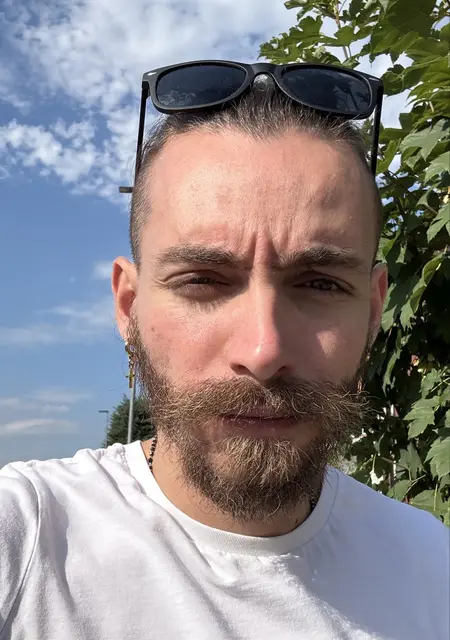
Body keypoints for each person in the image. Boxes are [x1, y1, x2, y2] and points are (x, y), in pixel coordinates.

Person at [1, 62, 448, 640]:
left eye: (320, 283)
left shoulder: (432, 566)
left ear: (371, 310)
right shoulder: (26, 539)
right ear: (129, 307)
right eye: (202, 281)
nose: (263, 351)